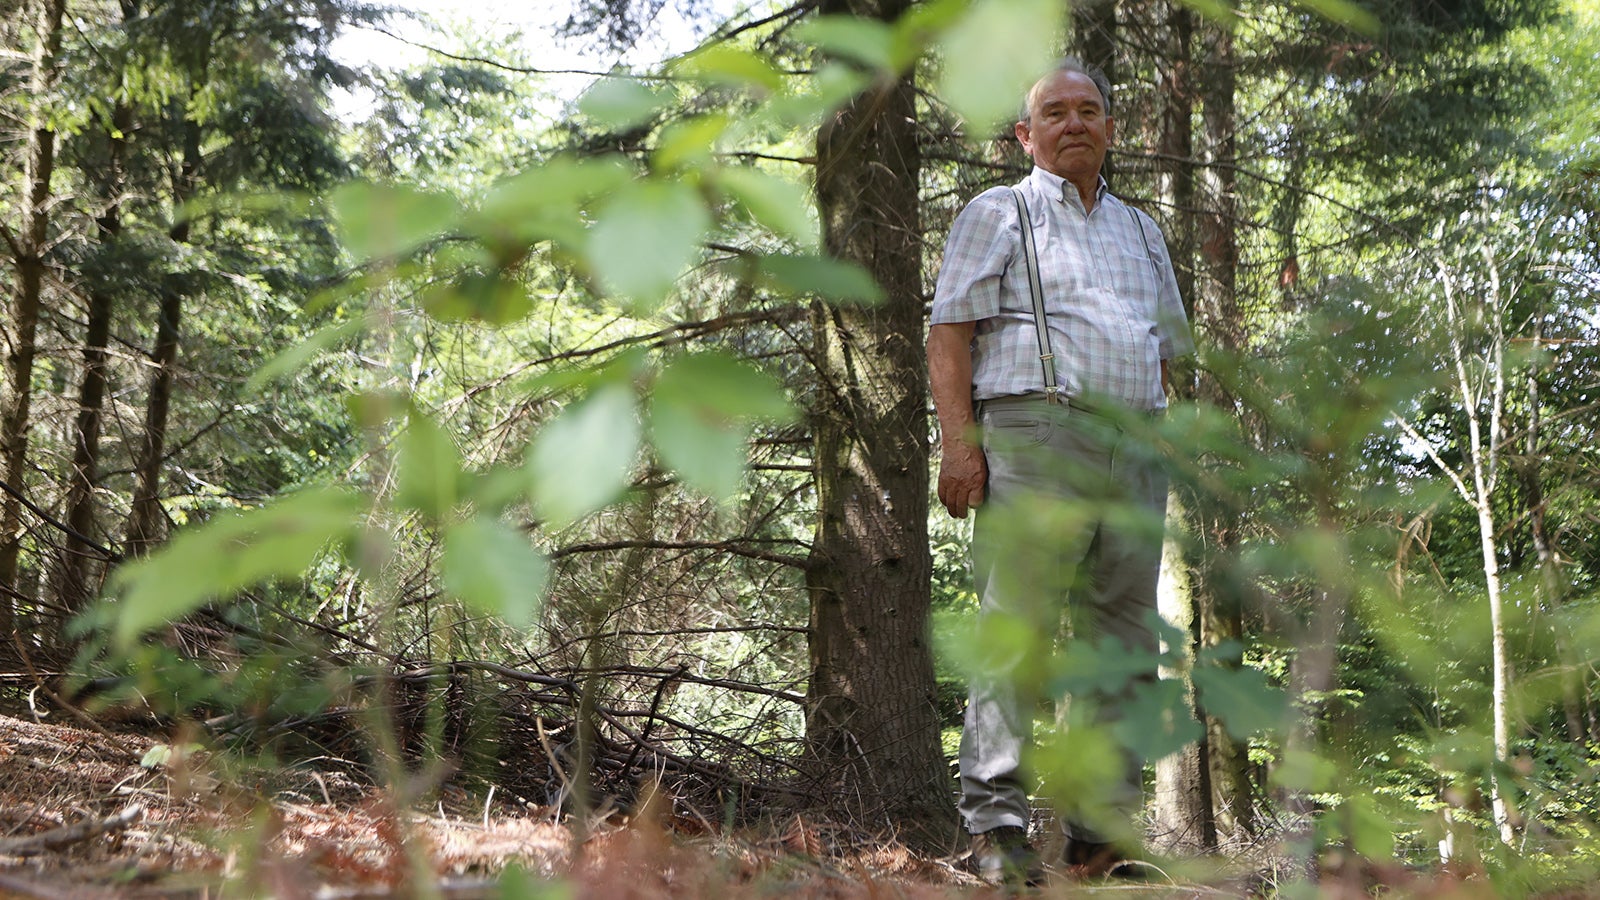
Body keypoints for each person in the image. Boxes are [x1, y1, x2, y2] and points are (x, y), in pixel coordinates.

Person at [926, 57, 1194, 885]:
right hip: (1034, 435)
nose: (1073, 123)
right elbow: (949, 335)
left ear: (1111, 128)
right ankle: (996, 829)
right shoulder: (997, 210)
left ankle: (1101, 838)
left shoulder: (1144, 230)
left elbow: (1170, 351)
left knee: (1123, 645)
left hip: (1135, 445)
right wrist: (960, 443)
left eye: (1089, 110)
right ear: (1025, 133)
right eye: (1054, 112)